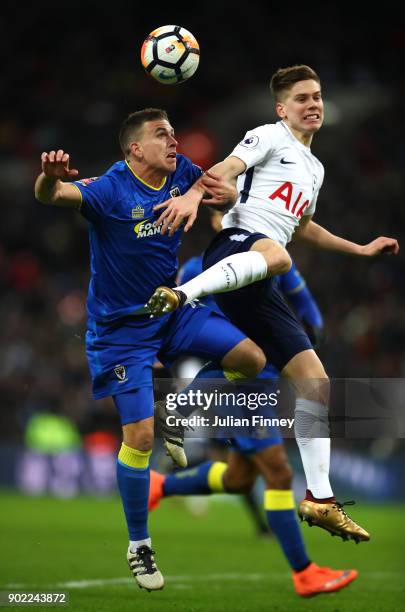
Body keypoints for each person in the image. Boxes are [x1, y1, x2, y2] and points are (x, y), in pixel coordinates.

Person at [146, 65, 399, 541]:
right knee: (277, 256)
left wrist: (360, 248)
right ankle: (183, 293)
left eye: (318, 96)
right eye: (302, 98)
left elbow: (303, 227)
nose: (313, 104)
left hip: (261, 270)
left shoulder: (315, 168)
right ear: (283, 109)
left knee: (313, 380)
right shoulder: (268, 135)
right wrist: (197, 195)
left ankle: (320, 499)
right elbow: (226, 169)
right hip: (239, 244)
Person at [34, 108, 269, 592]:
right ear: (135, 149)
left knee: (252, 360)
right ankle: (139, 544)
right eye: (161, 134)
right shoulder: (109, 189)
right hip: (121, 332)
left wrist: (194, 193)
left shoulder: (181, 171)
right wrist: (46, 179)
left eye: (174, 132)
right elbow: (54, 195)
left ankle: (180, 405)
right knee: (139, 437)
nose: (173, 140)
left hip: (172, 308)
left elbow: (215, 178)